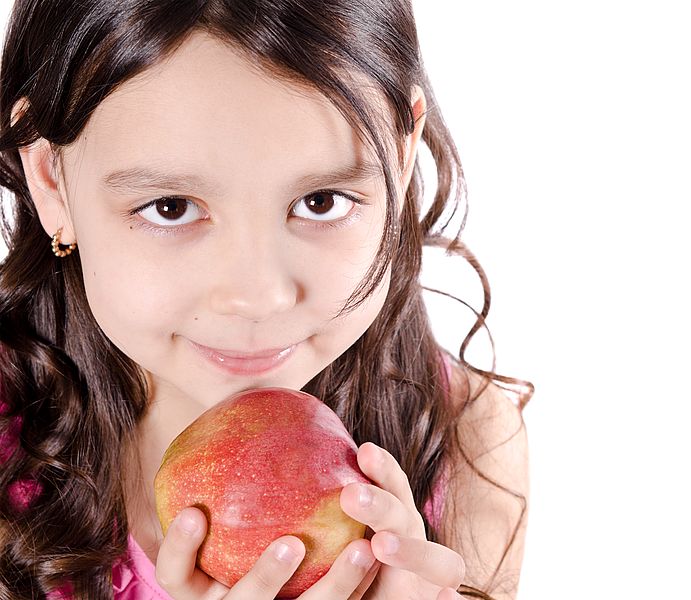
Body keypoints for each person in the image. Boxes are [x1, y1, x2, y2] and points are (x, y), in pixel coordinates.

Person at [0, 1, 534, 599]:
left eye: (322, 201)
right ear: (50, 178)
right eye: (171, 208)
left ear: (402, 156)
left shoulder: (468, 443)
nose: (259, 297)